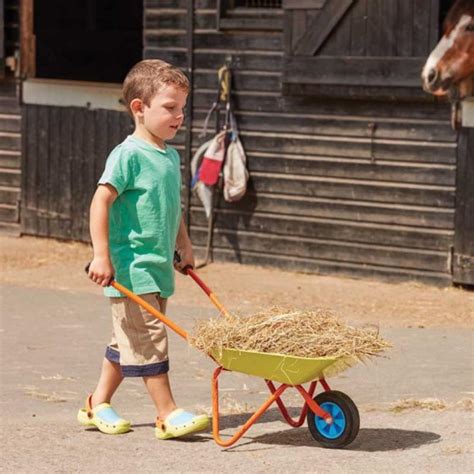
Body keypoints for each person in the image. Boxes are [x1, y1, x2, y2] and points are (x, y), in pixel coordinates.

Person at [77, 59, 209, 439]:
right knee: (149, 338)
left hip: (158, 267)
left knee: (128, 340)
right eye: (170, 107)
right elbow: (100, 201)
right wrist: (102, 256)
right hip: (130, 269)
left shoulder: (169, 156)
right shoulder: (128, 155)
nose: (179, 116)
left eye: (182, 108)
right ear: (139, 108)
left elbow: (172, 206)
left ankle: (95, 404)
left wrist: (183, 244)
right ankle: (167, 413)